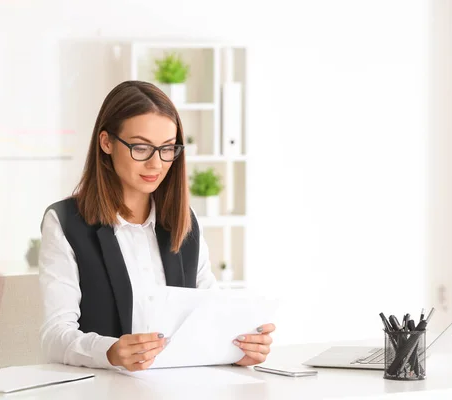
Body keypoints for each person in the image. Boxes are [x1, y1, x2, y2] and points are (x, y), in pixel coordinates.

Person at [38, 80, 275, 371]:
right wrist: (109, 351)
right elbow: (54, 337)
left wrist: (237, 349)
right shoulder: (65, 222)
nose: (156, 164)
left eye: (167, 149)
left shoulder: (184, 221)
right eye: (141, 148)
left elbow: (208, 316)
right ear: (106, 142)